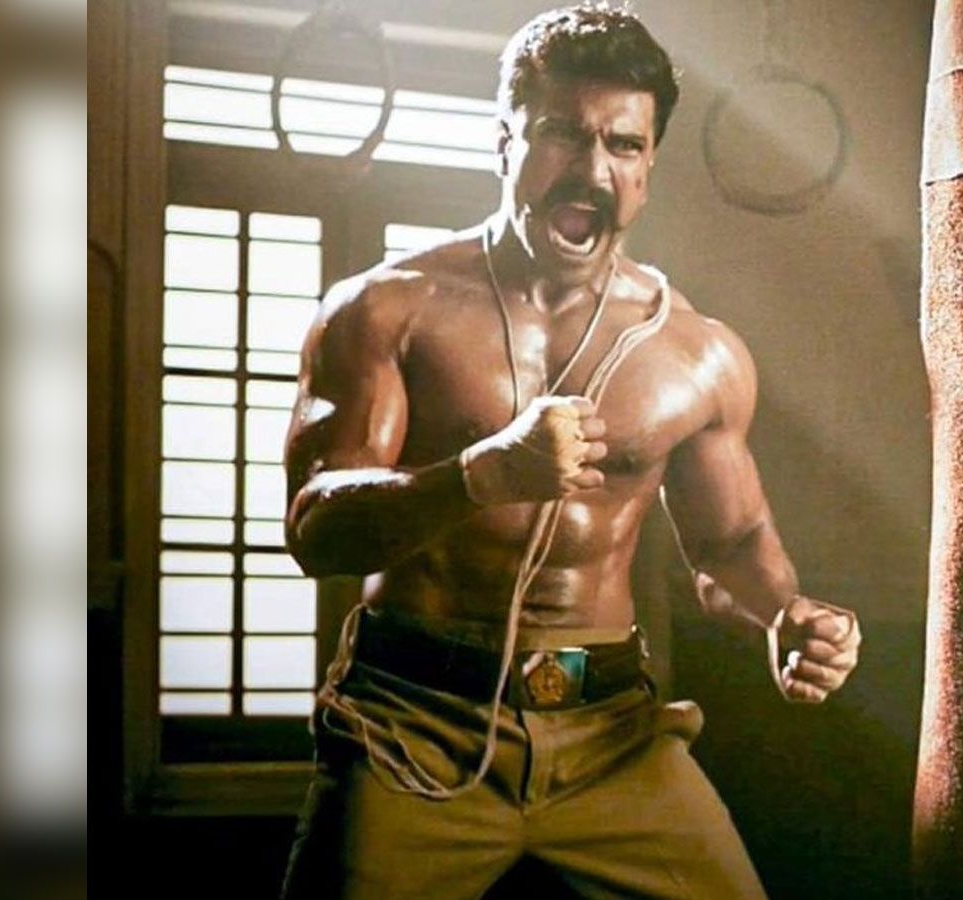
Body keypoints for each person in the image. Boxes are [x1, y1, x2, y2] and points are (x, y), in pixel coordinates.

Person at [279, 6, 861, 898]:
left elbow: (729, 546)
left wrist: (785, 614)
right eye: (562, 134)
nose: (593, 170)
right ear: (503, 144)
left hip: (612, 737)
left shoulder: (698, 353)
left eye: (624, 145)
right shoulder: (387, 309)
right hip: (413, 727)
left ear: (649, 168)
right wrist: (480, 476)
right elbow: (317, 530)